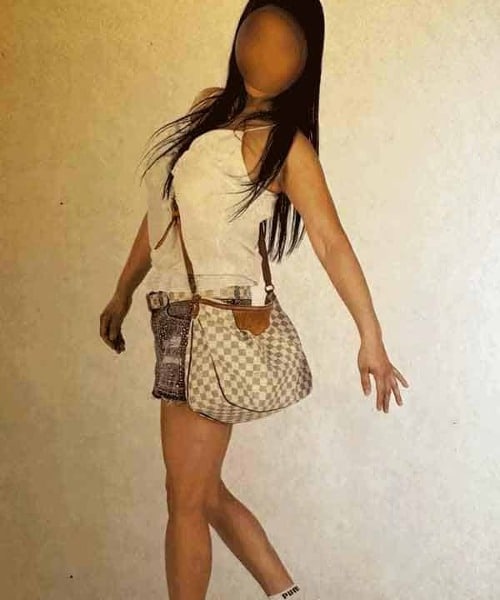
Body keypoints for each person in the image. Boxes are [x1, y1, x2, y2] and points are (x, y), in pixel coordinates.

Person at [100, 2, 410, 599]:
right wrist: (122, 290)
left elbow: (330, 241)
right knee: (202, 492)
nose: (266, 52)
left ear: (304, 63)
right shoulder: (206, 109)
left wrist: (370, 337)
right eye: (257, 34)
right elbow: (163, 215)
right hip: (175, 317)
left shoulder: (285, 146)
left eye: (285, 45)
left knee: (186, 499)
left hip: (215, 324)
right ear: (240, 35)